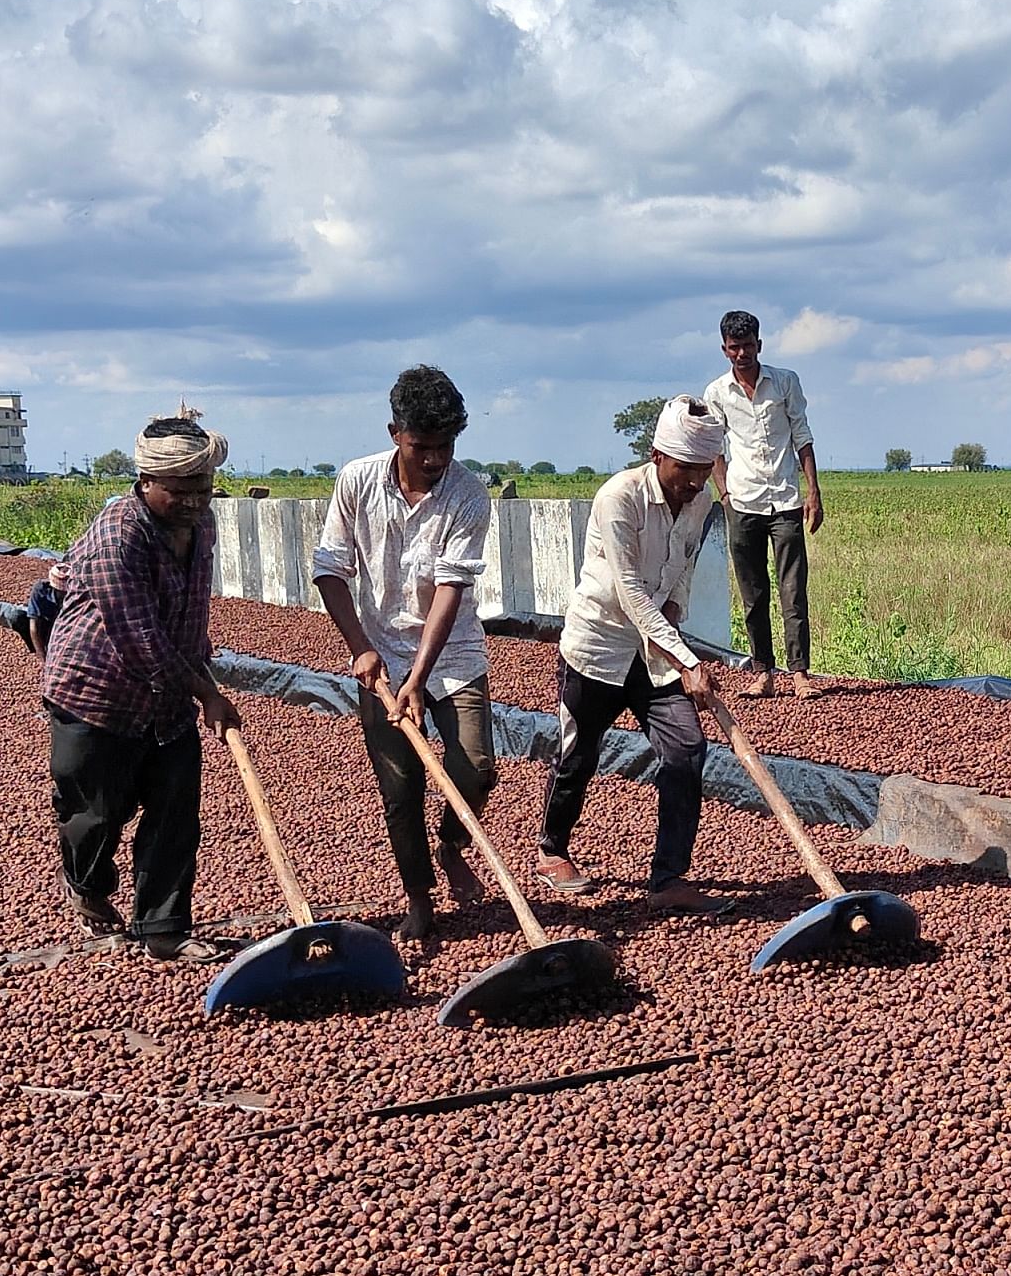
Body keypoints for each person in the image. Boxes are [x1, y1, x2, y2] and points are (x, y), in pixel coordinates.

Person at [38, 413, 241, 960]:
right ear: (147, 482)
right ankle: (87, 890)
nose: (196, 501)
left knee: (175, 810)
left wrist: (201, 671)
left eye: (204, 489)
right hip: (97, 693)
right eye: (181, 491)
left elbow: (191, 612)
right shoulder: (117, 535)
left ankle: (164, 929)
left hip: (168, 698)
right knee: (97, 813)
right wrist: (209, 694)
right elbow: (140, 640)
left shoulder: (202, 526)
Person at [311, 365, 496, 956]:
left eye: (447, 446)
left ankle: (452, 845)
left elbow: (450, 588)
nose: (436, 459)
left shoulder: (468, 492)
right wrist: (360, 647)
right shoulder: (357, 482)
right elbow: (330, 568)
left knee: (475, 766)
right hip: (381, 655)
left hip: (453, 653)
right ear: (396, 433)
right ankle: (419, 896)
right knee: (400, 786)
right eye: (423, 446)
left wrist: (419, 677)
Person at [534, 397, 728, 907]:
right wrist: (687, 660)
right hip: (598, 644)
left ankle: (668, 880)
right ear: (657, 454)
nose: (694, 482)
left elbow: (681, 568)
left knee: (686, 749)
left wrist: (676, 620)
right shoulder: (619, 497)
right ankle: (553, 851)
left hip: (654, 651)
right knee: (578, 753)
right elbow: (629, 591)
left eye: (704, 471)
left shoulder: (703, 503)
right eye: (686, 469)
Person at [705, 309, 822, 698]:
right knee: (753, 592)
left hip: (785, 500)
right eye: (735, 347)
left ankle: (800, 673)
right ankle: (763, 673)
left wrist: (813, 492)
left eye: (748, 346)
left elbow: (802, 436)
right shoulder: (717, 392)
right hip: (743, 501)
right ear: (724, 349)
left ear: (760, 344)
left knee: (793, 589)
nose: (743, 354)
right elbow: (714, 448)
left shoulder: (785, 382)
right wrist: (724, 494)